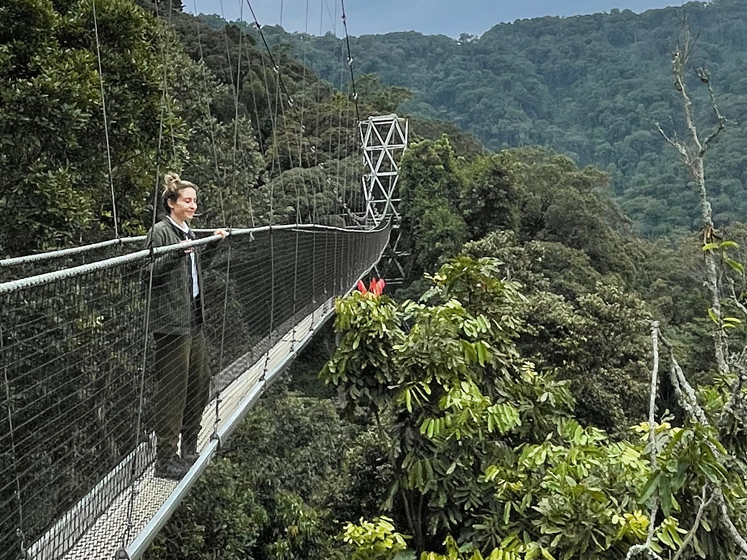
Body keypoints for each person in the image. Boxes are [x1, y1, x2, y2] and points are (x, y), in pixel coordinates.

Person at [145, 172, 227, 480]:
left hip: (194, 321)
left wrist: (212, 246)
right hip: (171, 325)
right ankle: (165, 458)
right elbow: (148, 272)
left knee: (199, 384)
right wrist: (177, 254)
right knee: (172, 391)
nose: (193, 205)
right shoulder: (161, 232)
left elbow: (195, 271)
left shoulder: (188, 233)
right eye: (187, 201)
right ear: (171, 203)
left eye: (194, 201)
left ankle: (189, 446)